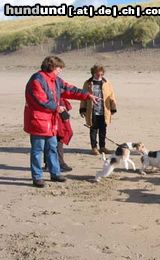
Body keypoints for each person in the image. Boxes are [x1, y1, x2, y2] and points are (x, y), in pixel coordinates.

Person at [24, 56, 99, 188]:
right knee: (37, 150)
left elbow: (70, 90)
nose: (60, 71)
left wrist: (87, 95)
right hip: (38, 121)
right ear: (52, 67)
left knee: (52, 148)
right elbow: (39, 100)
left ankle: (55, 173)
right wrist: (57, 107)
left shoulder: (56, 80)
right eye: (59, 68)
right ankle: (37, 177)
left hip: (51, 122)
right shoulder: (37, 79)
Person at [80, 64, 117, 155]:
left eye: (101, 74)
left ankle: (102, 147)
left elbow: (111, 95)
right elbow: (83, 96)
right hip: (92, 110)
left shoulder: (106, 83)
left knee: (103, 129)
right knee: (93, 129)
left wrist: (113, 108)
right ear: (93, 73)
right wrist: (82, 109)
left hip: (104, 110)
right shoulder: (87, 83)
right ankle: (94, 147)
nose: (99, 76)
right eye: (97, 74)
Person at [43, 97, 73, 171]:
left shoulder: (57, 94)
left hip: (55, 121)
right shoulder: (52, 94)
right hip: (52, 122)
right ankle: (58, 163)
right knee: (54, 143)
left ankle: (51, 163)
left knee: (54, 142)